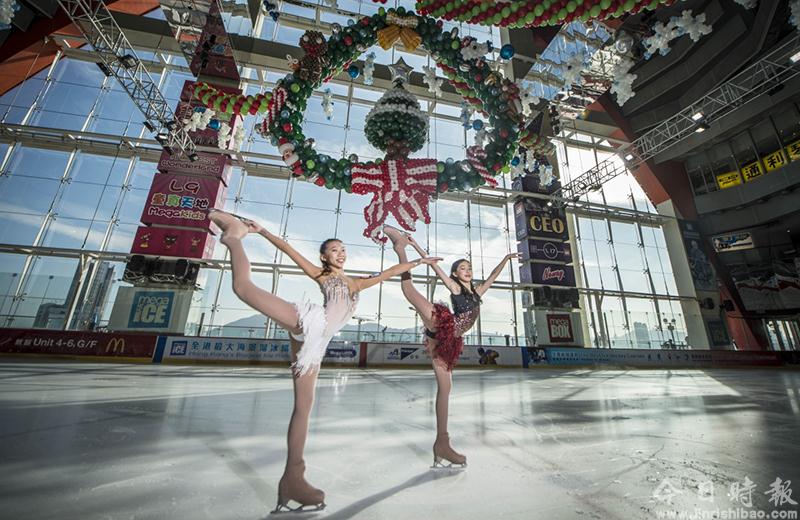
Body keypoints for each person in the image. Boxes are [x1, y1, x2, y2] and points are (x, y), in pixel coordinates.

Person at [208, 210, 440, 512]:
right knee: (244, 288)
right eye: (334, 250)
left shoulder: (355, 283)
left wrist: (419, 262)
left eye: (343, 249)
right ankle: (233, 239)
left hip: (316, 343)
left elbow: (389, 273)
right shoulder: (323, 275)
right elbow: (290, 251)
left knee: (303, 408)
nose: (340, 253)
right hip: (309, 321)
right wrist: (263, 231)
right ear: (324, 256)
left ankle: (293, 480)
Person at [383, 225, 519, 468]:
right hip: (442, 323)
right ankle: (400, 249)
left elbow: (493, 277)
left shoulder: (477, 292)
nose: (467, 270)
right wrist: (415, 247)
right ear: (456, 274)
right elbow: (437, 269)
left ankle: (442, 443)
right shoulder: (455, 287)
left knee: (445, 388)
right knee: (409, 289)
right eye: (462, 268)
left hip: (446, 341)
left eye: (469, 267)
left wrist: (506, 259)